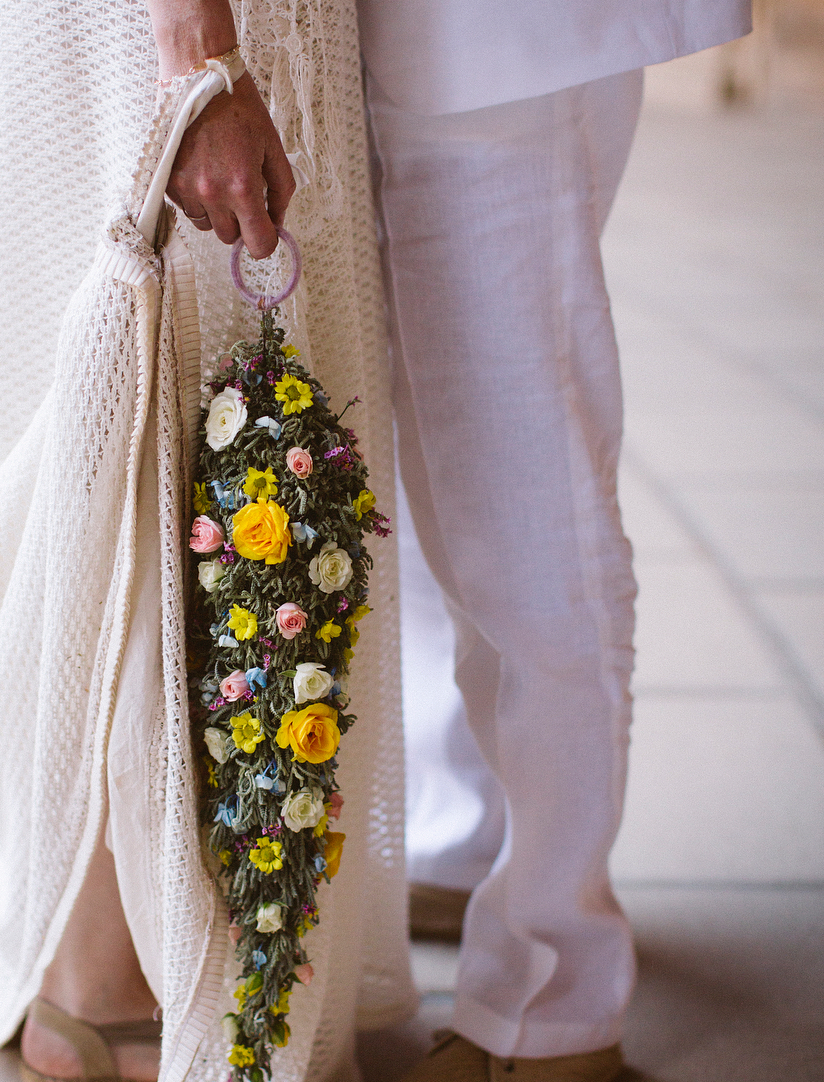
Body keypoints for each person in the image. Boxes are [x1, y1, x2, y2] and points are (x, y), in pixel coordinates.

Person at [0, 0, 415, 1080]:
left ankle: (110, 977)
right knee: (139, 421)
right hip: (152, 30)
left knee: (136, 425)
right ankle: (120, 988)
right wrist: (201, 57)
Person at [356, 2, 752, 1080]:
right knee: (434, 470)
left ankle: (556, 997)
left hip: (490, 43)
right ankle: (470, 833)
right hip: (425, 47)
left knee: (529, 508)